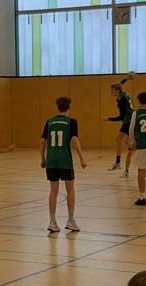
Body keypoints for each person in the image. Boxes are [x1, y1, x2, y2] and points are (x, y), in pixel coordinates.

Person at [42, 97, 88, 233]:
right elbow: (74, 139)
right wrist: (82, 158)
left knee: (53, 191)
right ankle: (71, 220)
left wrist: (42, 158)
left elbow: (42, 141)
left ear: (57, 107)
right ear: (69, 108)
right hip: (65, 161)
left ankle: (52, 222)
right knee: (70, 189)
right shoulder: (71, 122)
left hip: (51, 161)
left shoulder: (49, 121)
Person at [108, 72, 136, 176]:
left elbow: (120, 117)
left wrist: (109, 119)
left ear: (117, 91)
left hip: (129, 120)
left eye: (112, 91)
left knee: (120, 140)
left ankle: (118, 162)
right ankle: (122, 166)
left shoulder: (121, 101)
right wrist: (126, 78)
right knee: (125, 142)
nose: (111, 92)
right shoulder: (122, 94)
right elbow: (119, 85)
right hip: (130, 119)